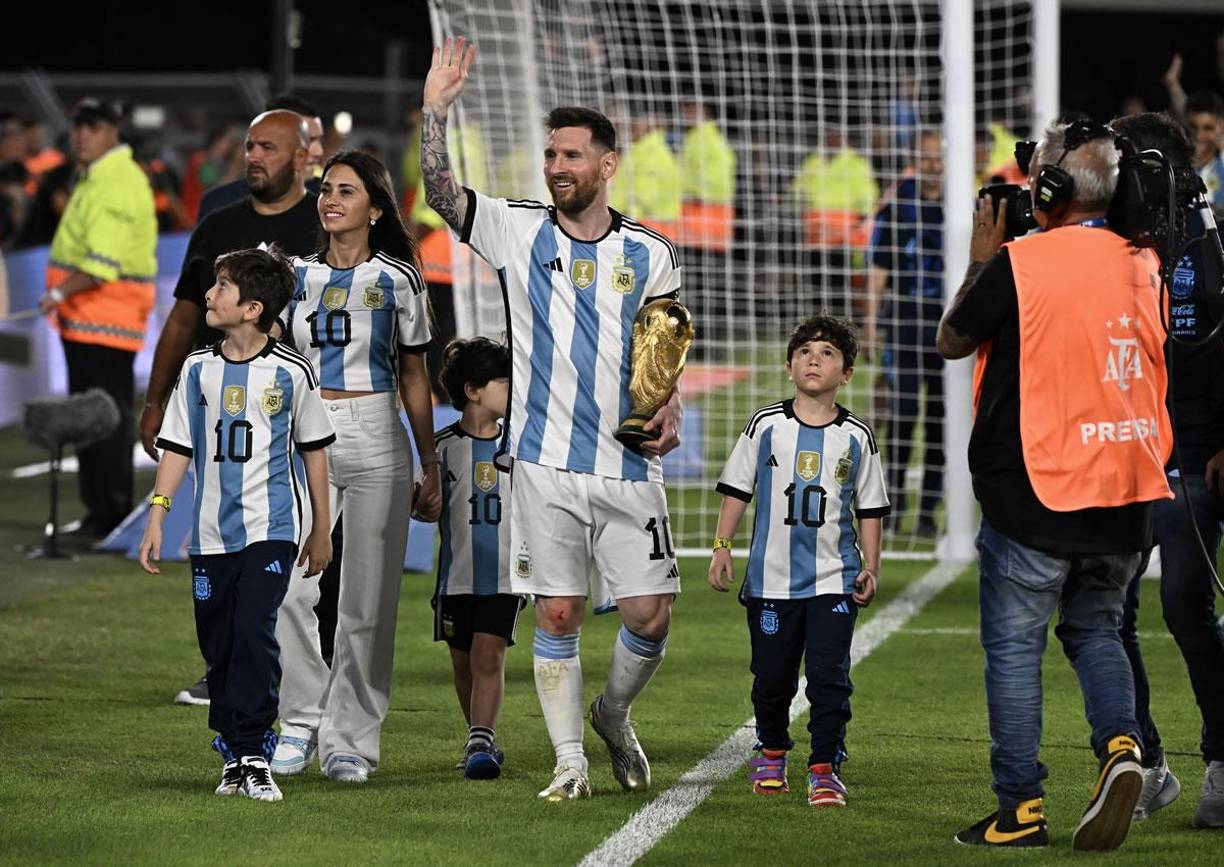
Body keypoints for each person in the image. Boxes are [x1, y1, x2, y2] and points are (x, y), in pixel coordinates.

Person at [422, 37, 685, 801]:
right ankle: (569, 759)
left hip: (629, 465)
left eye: (572, 155)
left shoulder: (652, 252)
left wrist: (665, 403)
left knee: (650, 614)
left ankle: (611, 712)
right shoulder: (516, 228)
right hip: (539, 461)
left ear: (607, 166)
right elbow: (444, 196)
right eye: (550, 155)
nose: (557, 167)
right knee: (561, 609)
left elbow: (659, 356)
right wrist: (434, 113)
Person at [938, 120, 1174, 851]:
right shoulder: (1147, 260)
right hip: (1128, 492)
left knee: (1014, 651)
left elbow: (951, 338)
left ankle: (1021, 810)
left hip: (1038, 491)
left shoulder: (1021, 262)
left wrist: (982, 259)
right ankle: (1120, 748)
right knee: (1097, 629)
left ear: (1050, 187)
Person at [139, 108, 323, 708]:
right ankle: (232, 676)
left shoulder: (324, 219)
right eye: (248, 146)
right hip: (222, 412)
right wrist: (154, 400)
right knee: (224, 572)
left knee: (305, 574)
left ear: (301, 156)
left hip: (300, 413)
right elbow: (184, 314)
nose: (253, 158)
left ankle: (292, 695)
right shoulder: (218, 225)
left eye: (267, 148)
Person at [137, 246, 334, 802]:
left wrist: (320, 529)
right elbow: (177, 446)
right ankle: (231, 748)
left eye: (221, 287)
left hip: (270, 529)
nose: (209, 294)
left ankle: (255, 749)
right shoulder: (197, 369)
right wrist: (158, 515)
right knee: (218, 643)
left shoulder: (292, 371)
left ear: (252, 308)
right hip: (209, 534)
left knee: (254, 630)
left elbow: (314, 451)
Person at [270, 150, 441, 784]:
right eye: (325, 190)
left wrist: (428, 459)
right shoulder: (294, 276)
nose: (330, 199)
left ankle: (352, 743)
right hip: (307, 435)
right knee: (289, 585)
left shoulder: (401, 279)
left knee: (367, 602)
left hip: (376, 435)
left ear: (374, 206)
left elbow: (415, 373)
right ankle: (300, 719)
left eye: (346, 190)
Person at [708, 314, 888, 807]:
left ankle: (824, 765)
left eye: (828, 352)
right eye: (806, 351)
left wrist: (872, 567)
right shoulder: (765, 425)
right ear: (790, 367)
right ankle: (771, 749)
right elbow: (736, 490)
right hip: (770, 581)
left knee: (830, 679)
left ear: (846, 373)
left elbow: (869, 508)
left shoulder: (856, 436)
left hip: (835, 580)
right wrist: (722, 547)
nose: (815, 358)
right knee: (772, 677)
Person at [1112, 111, 1224, 827]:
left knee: (1185, 601)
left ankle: (1221, 758)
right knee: (1106, 610)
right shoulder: (1113, 234)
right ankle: (1148, 763)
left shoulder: (1212, 237)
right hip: (1125, 446)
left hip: (1196, 445)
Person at [39, 98, 157, 539]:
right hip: (90, 319)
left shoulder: (116, 182)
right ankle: (101, 513)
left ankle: (109, 515)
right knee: (95, 418)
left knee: (102, 420)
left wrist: (56, 292)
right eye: (78, 127)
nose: (82, 135)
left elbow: (101, 264)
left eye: (93, 127)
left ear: (113, 132)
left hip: (104, 319)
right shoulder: (100, 177)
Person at [432, 337, 522, 780]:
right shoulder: (442, 448)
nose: (512, 389)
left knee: (489, 658)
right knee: (463, 663)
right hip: (456, 579)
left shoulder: (521, 446)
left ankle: (481, 737)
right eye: (503, 381)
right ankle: (479, 739)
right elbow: (424, 505)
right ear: (473, 390)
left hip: (505, 579)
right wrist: (422, 501)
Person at [865, 129, 945, 538]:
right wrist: (872, 323)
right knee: (902, 416)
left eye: (940, 157)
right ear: (916, 159)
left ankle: (930, 510)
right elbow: (878, 269)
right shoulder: (897, 207)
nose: (934, 165)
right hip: (905, 326)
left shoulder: (964, 204)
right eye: (927, 158)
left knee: (940, 422)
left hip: (950, 331)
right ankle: (893, 504)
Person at [198, 95, 326, 218]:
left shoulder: (330, 201)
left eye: (320, 140)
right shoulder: (220, 202)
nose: (319, 151)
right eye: (309, 140)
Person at [1185, 91, 1224, 211]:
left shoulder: (1221, 168)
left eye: (1208, 128)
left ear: (1221, 127)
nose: (1198, 136)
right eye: (1193, 127)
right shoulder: (1170, 167)